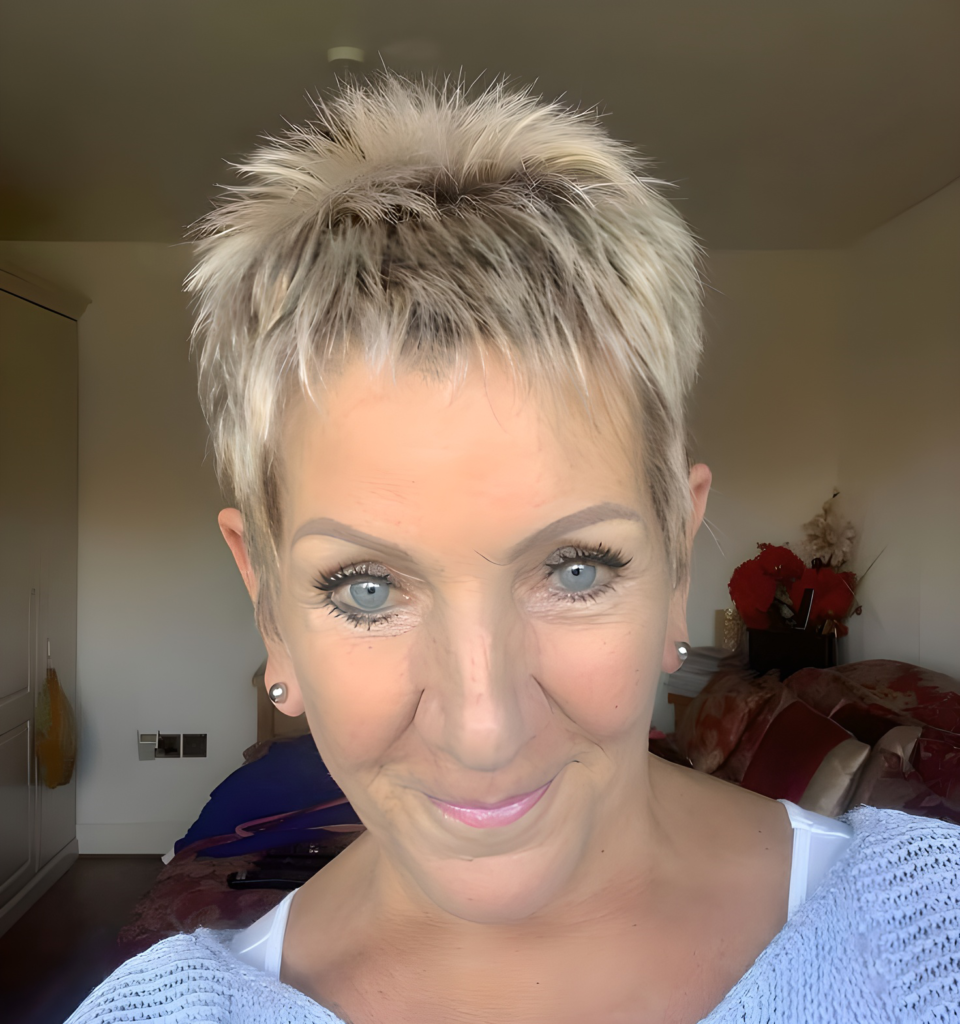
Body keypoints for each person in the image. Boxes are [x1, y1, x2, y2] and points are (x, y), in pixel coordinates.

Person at [67, 74, 959, 1024]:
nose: (482, 730)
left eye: (575, 571)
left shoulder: (933, 940)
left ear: (676, 563)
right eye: (367, 590)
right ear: (268, 607)